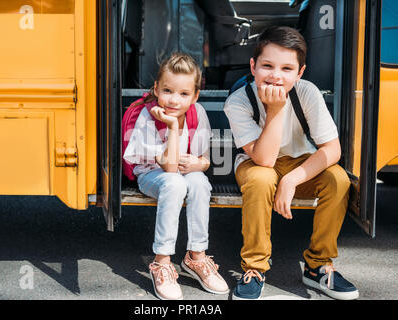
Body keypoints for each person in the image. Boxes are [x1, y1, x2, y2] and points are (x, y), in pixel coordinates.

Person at [223, 26, 359, 300]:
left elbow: (332, 149)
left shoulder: (307, 92)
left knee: (338, 179)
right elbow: (264, 159)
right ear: (253, 66)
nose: (275, 75)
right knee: (262, 179)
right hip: (255, 163)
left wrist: (292, 179)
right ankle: (255, 268)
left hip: (299, 163)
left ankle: (318, 265)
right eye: (267, 65)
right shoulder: (238, 101)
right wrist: (274, 111)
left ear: (300, 73)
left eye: (287, 69)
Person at [123, 52, 229, 300]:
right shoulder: (148, 116)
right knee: (173, 184)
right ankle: (162, 262)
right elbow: (169, 168)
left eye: (184, 94)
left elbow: (205, 161)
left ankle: (197, 256)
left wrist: (197, 163)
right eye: (168, 90)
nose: (174, 100)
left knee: (200, 183)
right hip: (151, 174)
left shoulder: (197, 113)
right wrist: (171, 126)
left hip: (182, 171)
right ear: (156, 88)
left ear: (195, 96)